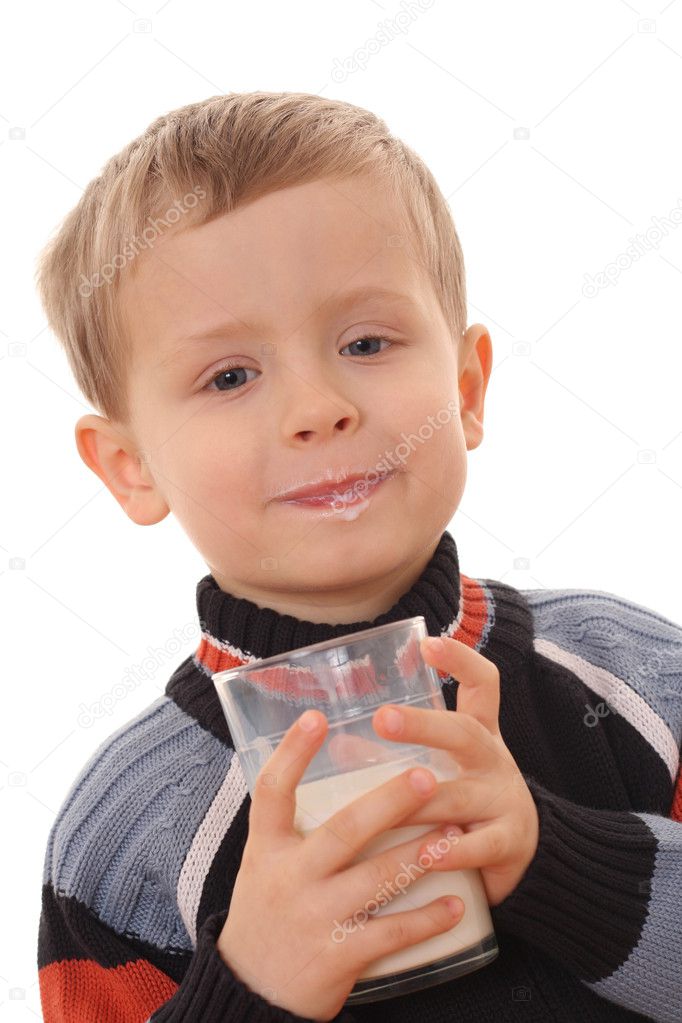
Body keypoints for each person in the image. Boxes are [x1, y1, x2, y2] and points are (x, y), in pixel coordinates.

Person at [35, 91, 682, 1022]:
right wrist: (250, 987)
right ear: (131, 466)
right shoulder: (127, 832)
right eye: (230, 375)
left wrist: (556, 859)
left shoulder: (632, 676)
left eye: (366, 341)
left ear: (464, 388)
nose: (316, 406)